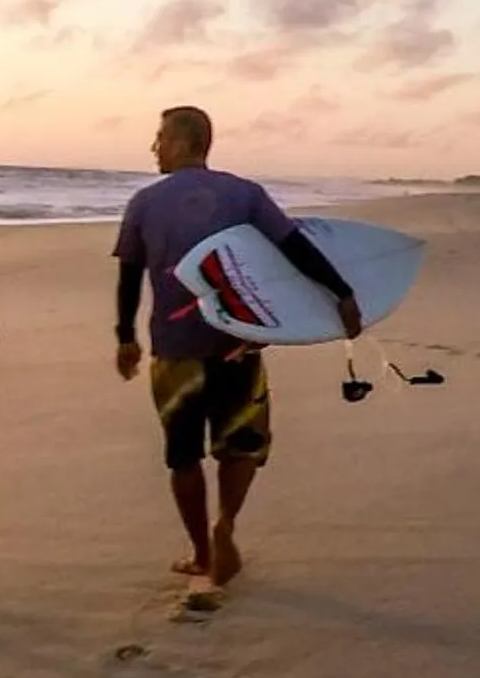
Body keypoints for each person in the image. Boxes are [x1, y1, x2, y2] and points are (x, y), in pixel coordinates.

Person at [112, 104, 359, 595]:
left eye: (160, 138)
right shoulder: (246, 194)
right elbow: (295, 248)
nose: (154, 147)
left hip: (175, 351)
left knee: (182, 455)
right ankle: (226, 526)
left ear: (185, 142)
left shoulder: (144, 201)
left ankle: (204, 553)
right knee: (241, 443)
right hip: (238, 344)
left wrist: (125, 337)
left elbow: (129, 277)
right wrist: (342, 292)